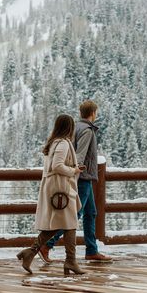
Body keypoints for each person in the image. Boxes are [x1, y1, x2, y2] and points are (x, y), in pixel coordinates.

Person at [39, 100, 113, 263]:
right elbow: (79, 156)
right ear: (93, 113)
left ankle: (92, 250)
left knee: (90, 213)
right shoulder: (87, 130)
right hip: (83, 177)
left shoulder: (76, 128)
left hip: (82, 177)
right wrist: (76, 173)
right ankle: (46, 245)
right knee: (74, 214)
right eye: (96, 112)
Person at [17, 114, 85, 275]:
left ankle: (31, 252)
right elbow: (57, 166)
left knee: (64, 223)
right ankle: (70, 261)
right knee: (70, 223)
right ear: (70, 128)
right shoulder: (63, 144)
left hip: (55, 187)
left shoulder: (54, 142)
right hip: (62, 189)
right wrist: (73, 170)